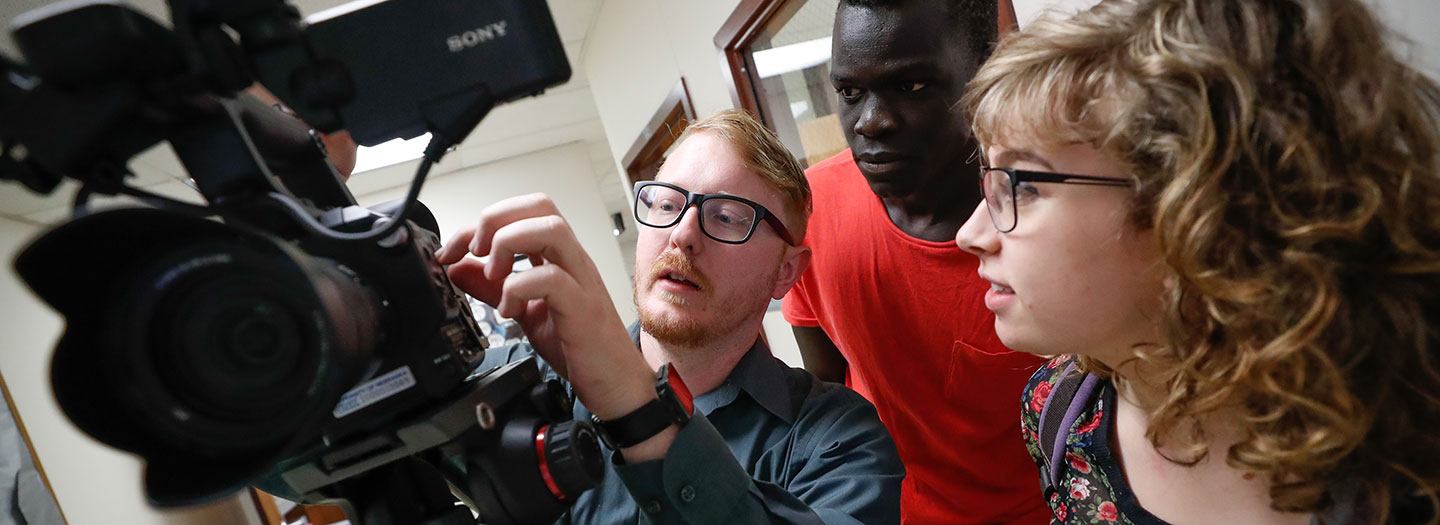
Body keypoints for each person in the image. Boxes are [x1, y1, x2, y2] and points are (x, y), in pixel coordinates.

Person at [954, 0, 1440, 523]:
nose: (970, 234)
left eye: (1021, 185)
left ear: (1195, 208)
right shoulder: (1062, 410)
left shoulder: (1404, 472)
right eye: (989, 177)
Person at [436, 109, 904, 524]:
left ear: (785, 272)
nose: (682, 234)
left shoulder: (840, 440)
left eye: (726, 217)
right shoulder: (525, 382)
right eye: (666, 204)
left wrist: (633, 406)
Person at [781, 0, 1047, 522]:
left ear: (985, 76)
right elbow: (827, 406)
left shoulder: (1051, 216)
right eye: (850, 92)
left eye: (913, 86)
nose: (872, 122)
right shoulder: (811, 211)